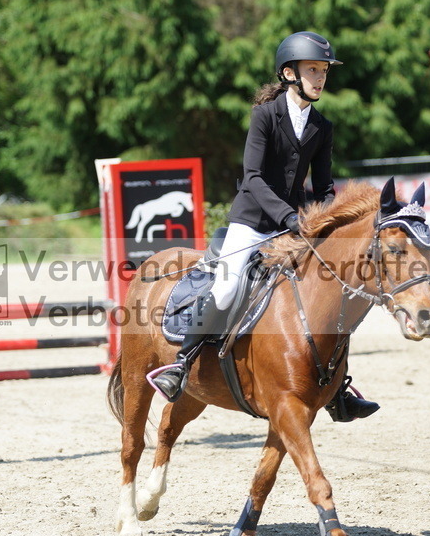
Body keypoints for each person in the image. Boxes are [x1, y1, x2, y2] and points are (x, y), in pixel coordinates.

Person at [153, 30, 379, 421]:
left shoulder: (322, 126)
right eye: (313, 69)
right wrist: (290, 217)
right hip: (253, 222)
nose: (320, 78)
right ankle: (182, 363)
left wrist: (324, 220)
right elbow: (253, 177)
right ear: (290, 73)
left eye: (324, 70)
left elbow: (324, 187)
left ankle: (337, 388)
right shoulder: (265, 116)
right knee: (227, 288)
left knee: (330, 293)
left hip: (295, 227)